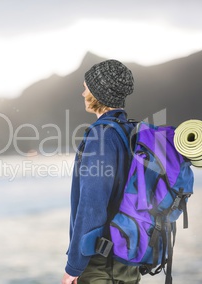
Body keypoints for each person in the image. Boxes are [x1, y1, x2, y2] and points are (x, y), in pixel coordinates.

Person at [61, 59, 141, 284]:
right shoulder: (131, 131)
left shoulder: (102, 137)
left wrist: (74, 267)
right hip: (128, 255)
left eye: (86, 87)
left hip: (102, 264)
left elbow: (92, 205)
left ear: (99, 93)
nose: (82, 92)